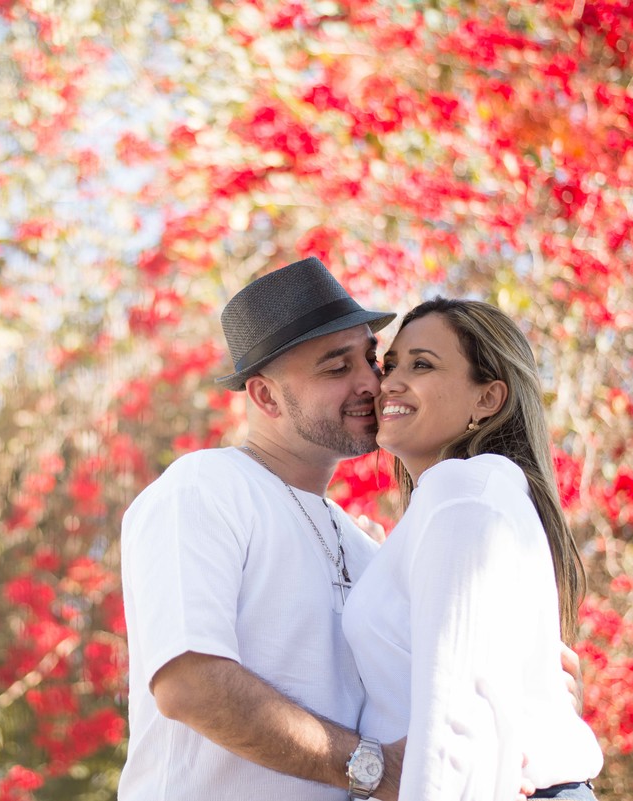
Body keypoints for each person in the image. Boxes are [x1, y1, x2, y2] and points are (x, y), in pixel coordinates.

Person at [118, 256, 405, 800]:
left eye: (371, 357)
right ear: (265, 396)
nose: (371, 381)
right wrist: (376, 770)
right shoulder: (204, 487)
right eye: (336, 368)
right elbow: (189, 684)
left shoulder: (365, 545)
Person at [342, 298, 604, 800]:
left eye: (422, 364)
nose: (389, 383)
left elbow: (457, 713)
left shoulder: (462, 491)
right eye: (390, 364)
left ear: (488, 399)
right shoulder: (470, 497)